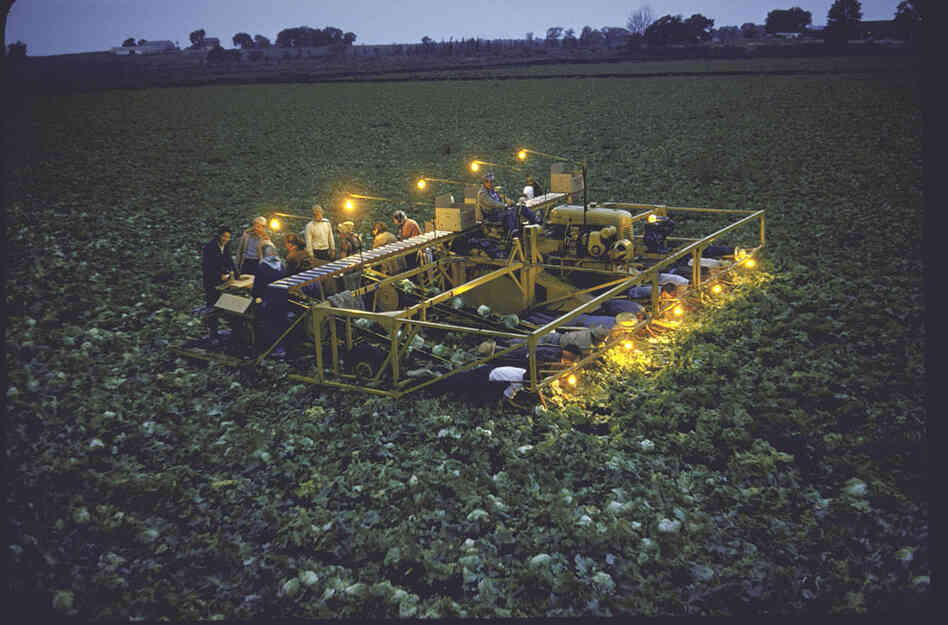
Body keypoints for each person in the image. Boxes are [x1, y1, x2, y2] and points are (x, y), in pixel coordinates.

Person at [251, 244, 289, 355]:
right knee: (282, 322)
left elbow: (257, 286)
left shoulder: (262, 267)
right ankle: (282, 346)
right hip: (282, 297)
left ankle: (273, 347)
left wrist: (256, 296)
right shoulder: (281, 264)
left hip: (269, 300)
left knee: (271, 324)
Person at [201, 225, 237, 341]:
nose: (226, 239)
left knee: (225, 303)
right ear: (219, 235)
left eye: (228, 237)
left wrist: (236, 273)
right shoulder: (209, 248)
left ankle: (232, 329)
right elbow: (207, 266)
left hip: (223, 280)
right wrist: (219, 275)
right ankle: (213, 333)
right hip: (211, 281)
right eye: (224, 236)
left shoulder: (226, 246)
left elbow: (229, 259)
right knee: (212, 306)